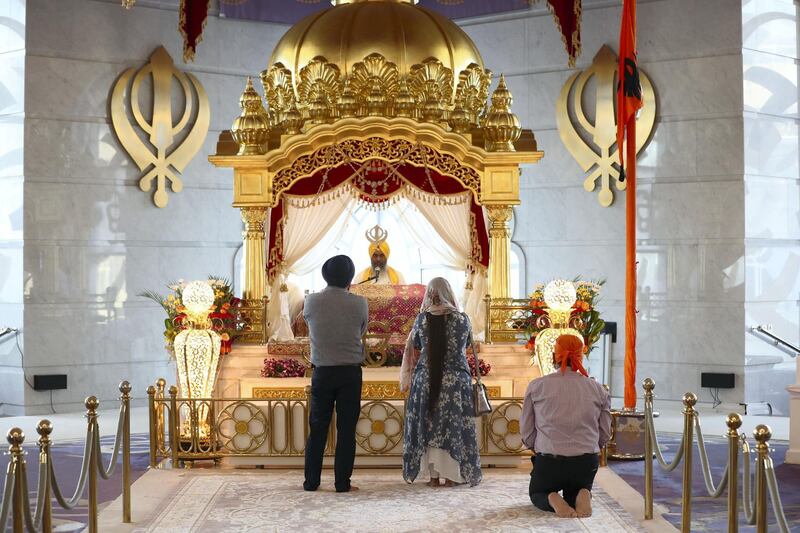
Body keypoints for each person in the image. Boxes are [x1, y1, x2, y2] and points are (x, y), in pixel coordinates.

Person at [400, 277, 481, 487]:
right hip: (456, 381)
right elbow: (467, 345)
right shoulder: (463, 319)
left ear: (430, 294)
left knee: (428, 425)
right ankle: (453, 476)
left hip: (426, 379)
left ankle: (434, 477)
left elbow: (417, 345)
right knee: (454, 425)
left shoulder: (422, 320)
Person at [520, 334, 612, 518]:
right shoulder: (597, 388)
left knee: (538, 493)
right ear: (580, 357)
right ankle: (583, 492)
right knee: (576, 490)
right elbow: (605, 432)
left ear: (555, 356)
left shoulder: (537, 386)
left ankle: (552, 497)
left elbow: (527, 430)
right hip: (585, 461)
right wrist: (593, 447)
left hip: (550, 461)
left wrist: (538, 448)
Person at [302, 255, 369, 493]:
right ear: (350, 278)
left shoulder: (311, 301)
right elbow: (362, 328)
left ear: (325, 275)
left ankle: (311, 482)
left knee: (317, 429)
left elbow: (308, 322)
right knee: (347, 429)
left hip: (322, 372)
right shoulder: (360, 303)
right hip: (350, 373)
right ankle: (342, 483)